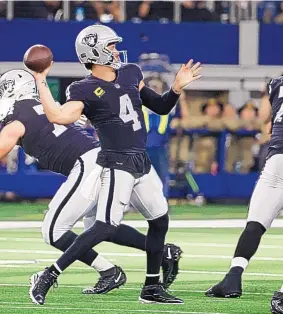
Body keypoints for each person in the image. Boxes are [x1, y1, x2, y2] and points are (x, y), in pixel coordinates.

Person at [30, 24, 202, 305]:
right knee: (105, 226)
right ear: (94, 52)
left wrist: (175, 89)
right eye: (109, 46)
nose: (115, 50)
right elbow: (60, 116)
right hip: (116, 163)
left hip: (141, 160)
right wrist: (40, 80)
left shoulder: (131, 72)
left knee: (159, 220)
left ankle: (151, 288)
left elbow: (160, 106)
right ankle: (49, 275)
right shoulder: (82, 88)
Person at [0, 69, 182, 298]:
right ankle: (159, 253)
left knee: (53, 230)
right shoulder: (47, 106)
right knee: (96, 226)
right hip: (99, 157)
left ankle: (105, 271)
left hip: (88, 165)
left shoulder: (17, 120)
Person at [204, 76, 283, 312]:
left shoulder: (277, 83)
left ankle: (233, 278)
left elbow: (265, 122)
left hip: (277, 160)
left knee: (255, 224)